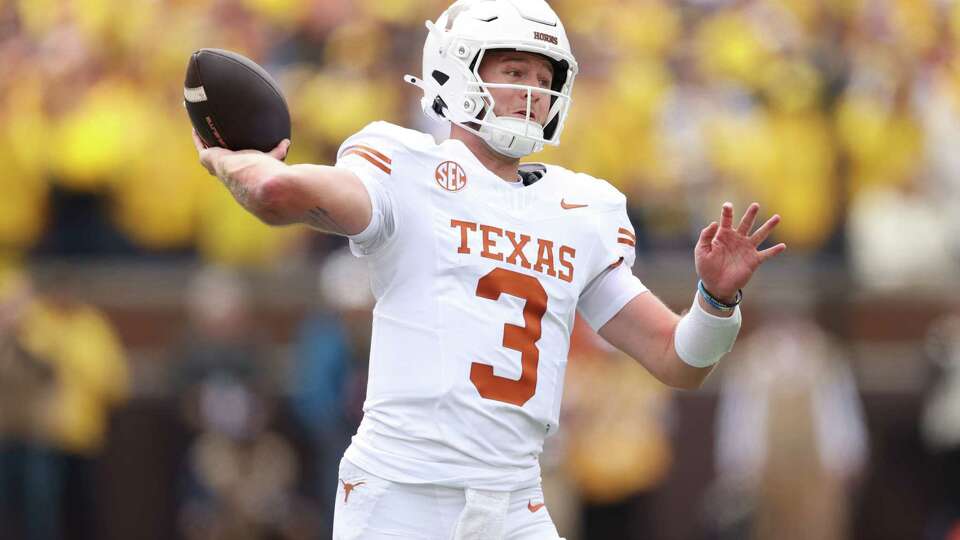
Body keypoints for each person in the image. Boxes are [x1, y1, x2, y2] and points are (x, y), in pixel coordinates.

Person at [191, 1, 786, 537]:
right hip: (403, 495)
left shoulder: (581, 210)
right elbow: (278, 193)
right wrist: (231, 162)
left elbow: (676, 361)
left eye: (544, 78)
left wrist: (714, 299)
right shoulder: (406, 167)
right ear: (457, 70)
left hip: (515, 504)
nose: (533, 92)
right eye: (514, 72)